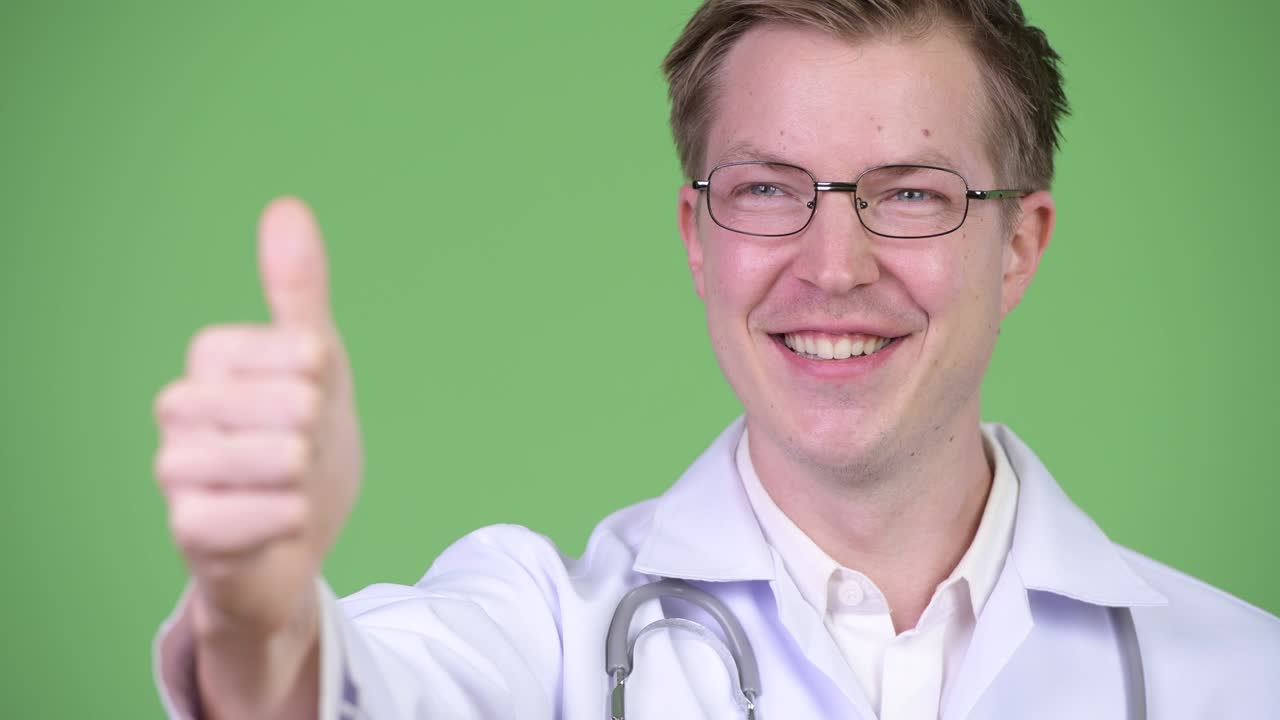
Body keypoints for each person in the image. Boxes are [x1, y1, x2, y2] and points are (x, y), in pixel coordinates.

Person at [152, 0, 1280, 717]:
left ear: (1018, 243)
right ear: (699, 239)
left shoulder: (1246, 677)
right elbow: (352, 695)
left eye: (909, 194)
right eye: (765, 189)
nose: (832, 263)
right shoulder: (548, 634)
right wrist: (259, 623)